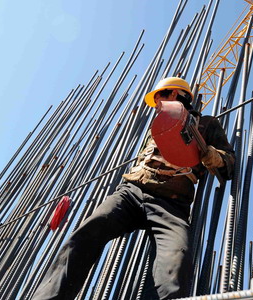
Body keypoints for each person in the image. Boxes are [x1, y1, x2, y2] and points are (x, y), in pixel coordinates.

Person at [33, 77, 235, 300]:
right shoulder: (157, 127)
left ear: (176, 95)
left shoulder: (207, 124)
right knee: (88, 232)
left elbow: (230, 165)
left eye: (160, 98)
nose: (156, 105)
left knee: (175, 259)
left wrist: (214, 157)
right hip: (131, 192)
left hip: (172, 203)